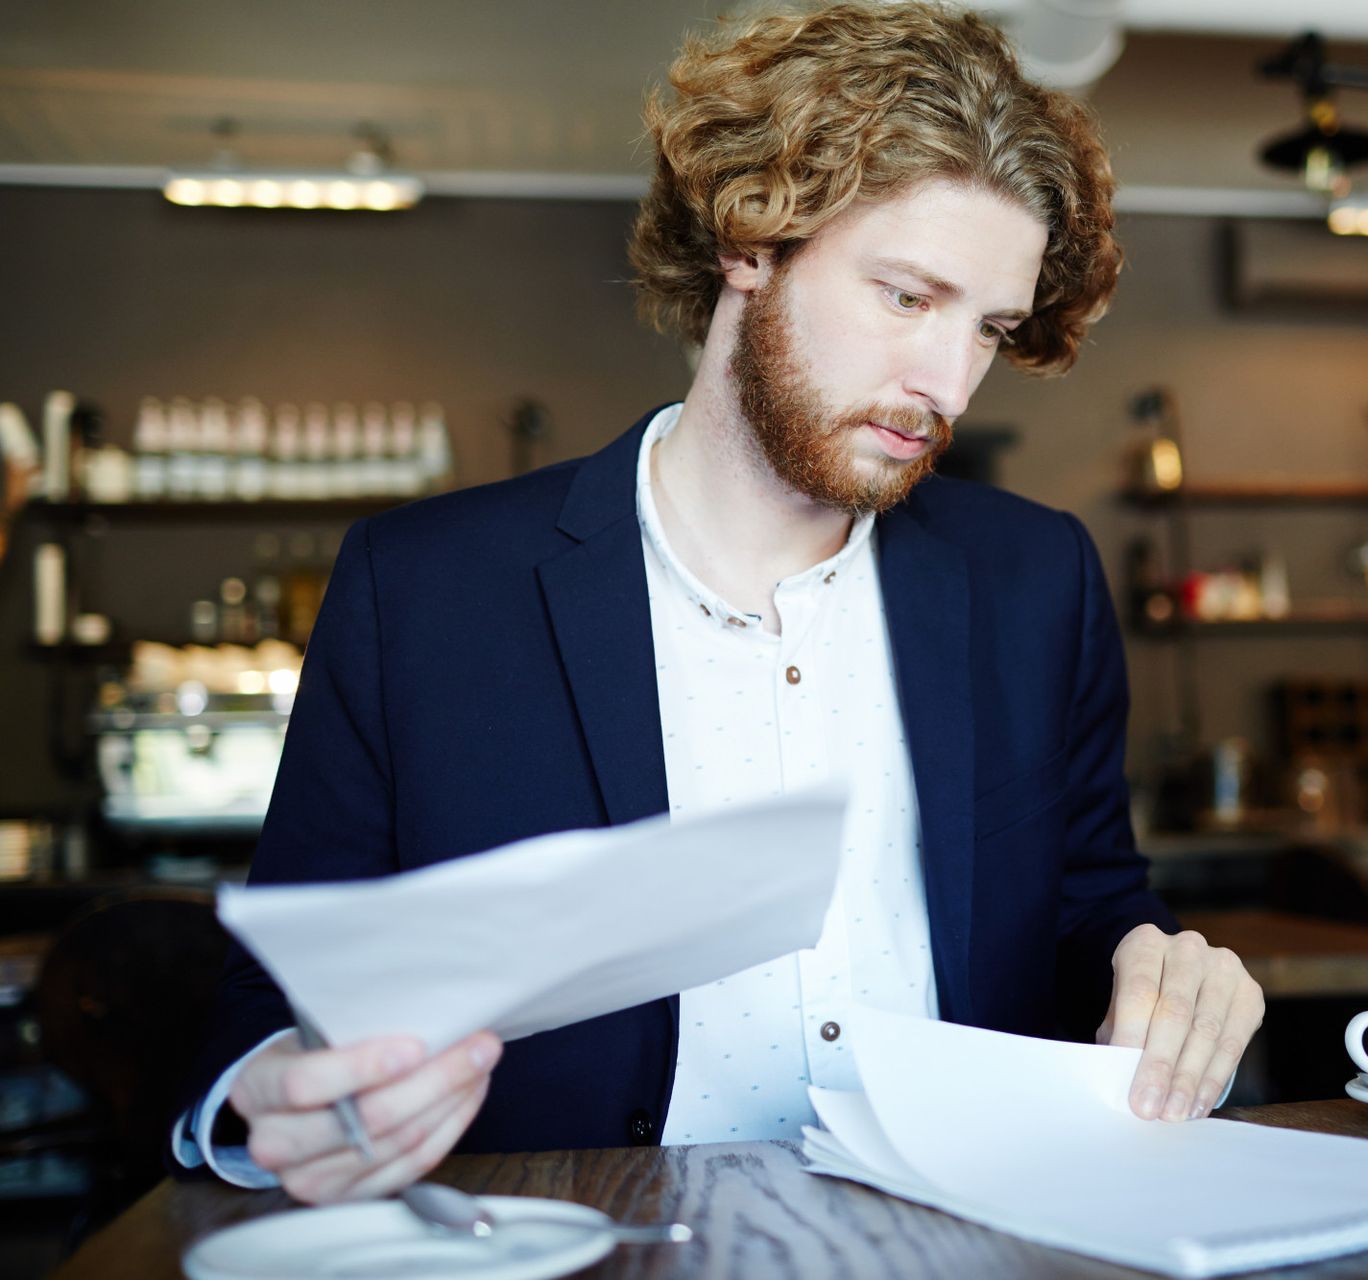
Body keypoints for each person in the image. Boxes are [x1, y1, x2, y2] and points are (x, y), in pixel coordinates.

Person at [172, 0, 1263, 1205]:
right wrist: (271, 1090)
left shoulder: (1034, 578)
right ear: (751, 238)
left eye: (989, 328)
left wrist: (1165, 971)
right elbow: (269, 1002)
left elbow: (1092, 908)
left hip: (964, 1233)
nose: (945, 383)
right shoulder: (422, 589)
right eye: (907, 296)